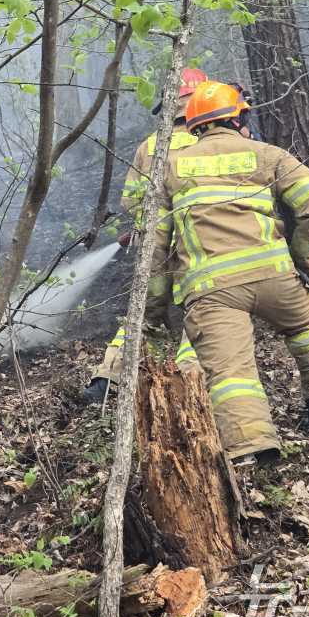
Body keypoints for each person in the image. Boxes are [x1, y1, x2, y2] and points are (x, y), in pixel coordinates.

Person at [144, 79, 309, 465]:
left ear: (194, 125)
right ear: (239, 118)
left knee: (231, 373)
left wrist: (155, 306)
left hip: (214, 291)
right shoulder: (267, 154)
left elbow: (156, 247)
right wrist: (304, 259)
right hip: (276, 277)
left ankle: (255, 450)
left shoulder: (169, 167)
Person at [83, 68, 207, 405]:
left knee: (143, 316)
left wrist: (144, 225)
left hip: (155, 248)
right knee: (205, 314)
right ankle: (188, 392)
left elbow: (131, 200)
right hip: (204, 246)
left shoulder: (150, 146)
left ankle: (106, 382)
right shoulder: (213, 141)